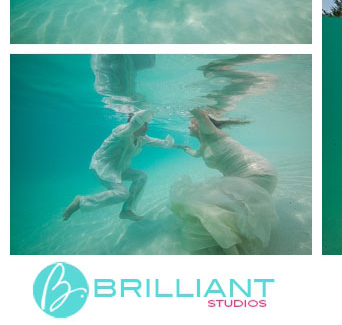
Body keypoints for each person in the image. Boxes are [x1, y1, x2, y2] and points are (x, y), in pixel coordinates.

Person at [169, 109, 278, 254]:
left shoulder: (211, 133)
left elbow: (200, 113)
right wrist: (184, 148)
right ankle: (229, 241)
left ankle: (232, 253)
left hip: (258, 174)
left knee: (200, 204)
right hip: (243, 180)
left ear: (200, 124)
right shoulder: (204, 145)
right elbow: (195, 154)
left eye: (191, 122)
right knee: (211, 207)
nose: (189, 126)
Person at [62, 110, 186, 222]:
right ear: (136, 123)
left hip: (119, 168)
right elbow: (132, 124)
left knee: (141, 176)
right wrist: (146, 110)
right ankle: (81, 201)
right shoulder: (122, 131)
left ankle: (127, 210)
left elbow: (161, 143)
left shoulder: (141, 138)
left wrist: (180, 146)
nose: (147, 127)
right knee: (122, 193)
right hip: (103, 168)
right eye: (145, 124)